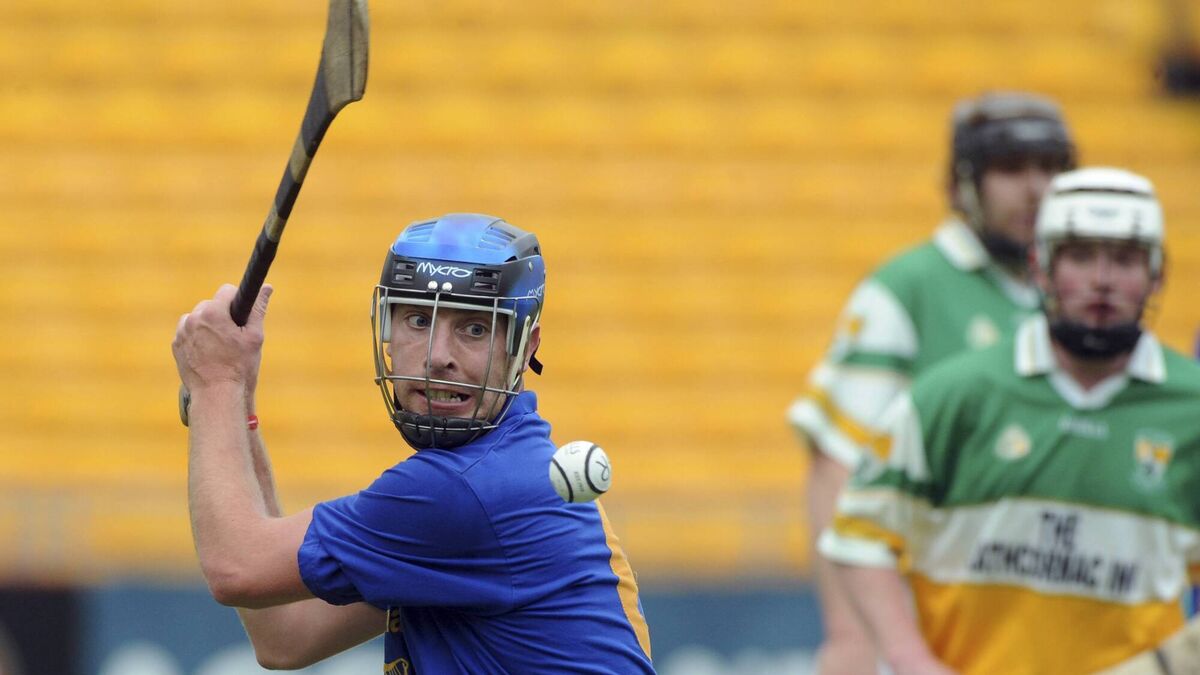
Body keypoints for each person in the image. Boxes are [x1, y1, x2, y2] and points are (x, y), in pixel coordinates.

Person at [172, 213, 654, 674]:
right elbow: (285, 635)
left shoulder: (464, 490)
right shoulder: (488, 480)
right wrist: (236, 404)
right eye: (419, 321)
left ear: (525, 348)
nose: (437, 356)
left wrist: (216, 381)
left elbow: (236, 568)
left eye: (474, 328)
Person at [820, 167, 1200, 674]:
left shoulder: (1192, 409)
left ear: (1158, 275)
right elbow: (857, 531)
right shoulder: (954, 396)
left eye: (1125, 259)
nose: (1103, 280)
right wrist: (910, 658)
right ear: (1040, 267)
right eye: (1080, 256)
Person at [786, 92, 1076, 673]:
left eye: (1051, 168)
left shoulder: (1083, 300)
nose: (1036, 189)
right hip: (939, 630)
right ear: (962, 184)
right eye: (1011, 169)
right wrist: (851, 635)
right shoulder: (909, 288)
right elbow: (838, 465)